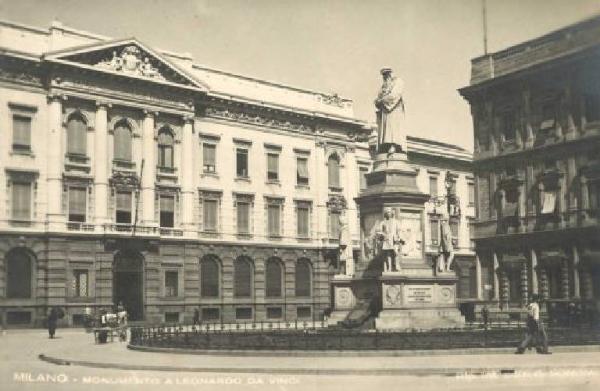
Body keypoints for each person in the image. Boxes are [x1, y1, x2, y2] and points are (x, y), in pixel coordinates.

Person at [374, 68, 407, 154]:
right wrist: (377, 101)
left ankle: (394, 146)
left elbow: (395, 95)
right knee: (385, 131)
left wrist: (382, 100)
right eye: (383, 75)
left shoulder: (398, 82)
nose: (385, 77)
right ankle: (385, 146)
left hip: (394, 110)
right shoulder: (383, 86)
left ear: (390, 74)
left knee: (393, 129)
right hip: (384, 112)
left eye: (386, 74)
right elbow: (379, 97)